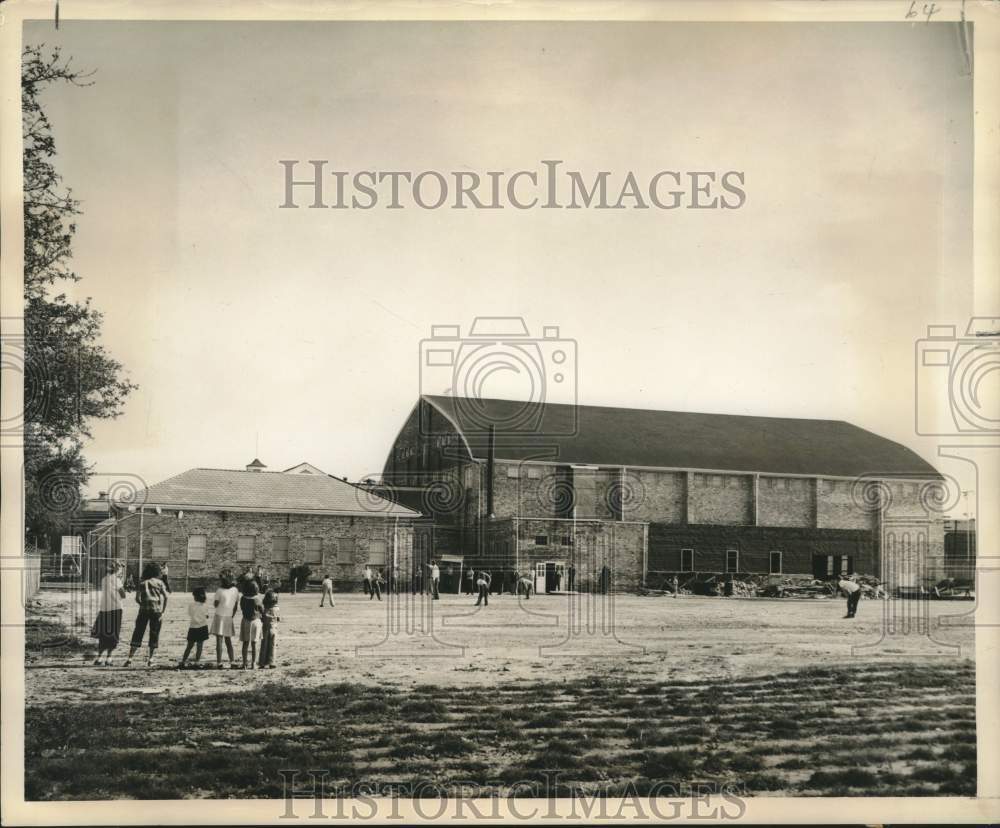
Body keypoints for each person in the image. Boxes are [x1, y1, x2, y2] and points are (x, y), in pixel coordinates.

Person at [123, 562, 169, 668]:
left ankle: (130, 658)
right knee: (154, 634)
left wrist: (142, 604)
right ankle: (151, 659)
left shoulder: (142, 583)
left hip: (143, 611)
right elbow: (166, 597)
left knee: (138, 632)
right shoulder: (160, 583)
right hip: (156, 611)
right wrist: (163, 611)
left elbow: (137, 599)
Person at [91, 561, 126, 666]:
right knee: (113, 633)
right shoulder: (117, 580)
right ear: (117, 569)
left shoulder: (104, 580)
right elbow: (123, 595)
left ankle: (99, 657)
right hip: (115, 608)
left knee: (103, 634)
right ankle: (109, 658)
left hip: (104, 609)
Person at [211, 568, 241, 669]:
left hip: (219, 616)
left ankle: (219, 662)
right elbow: (236, 606)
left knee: (219, 641)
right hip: (229, 617)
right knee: (228, 641)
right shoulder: (235, 590)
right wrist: (231, 616)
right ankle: (232, 661)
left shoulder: (219, 590)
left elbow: (215, 604)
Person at [179, 586, 210, 668]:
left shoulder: (191, 605)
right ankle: (197, 662)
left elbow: (190, 614)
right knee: (200, 646)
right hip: (202, 627)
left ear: (195, 596)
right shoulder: (205, 605)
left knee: (189, 646)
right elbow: (207, 616)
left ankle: (183, 661)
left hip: (193, 627)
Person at [239, 579, 264, 669]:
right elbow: (262, 610)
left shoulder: (242, 598)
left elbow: (242, 608)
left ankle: (244, 663)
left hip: (246, 621)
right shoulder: (257, 599)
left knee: (245, 643)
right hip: (256, 621)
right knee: (254, 644)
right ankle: (253, 663)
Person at [258, 589, 280, 669]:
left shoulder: (265, 610)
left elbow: (262, 619)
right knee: (273, 646)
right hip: (274, 629)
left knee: (264, 645)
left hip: (265, 629)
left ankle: (262, 662)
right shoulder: (277, 609)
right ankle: (272, 662)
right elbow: (278, 619)